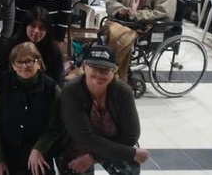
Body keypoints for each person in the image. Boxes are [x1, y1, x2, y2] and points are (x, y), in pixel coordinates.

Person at [60, 45, 148, 175]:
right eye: (94, 67)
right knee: (73, 165)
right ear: (84, 66)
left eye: (106, 70)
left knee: (130, 165)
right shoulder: (71, 91)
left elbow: (131, 135)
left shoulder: (124, 92)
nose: (99, 74)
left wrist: (92, 158)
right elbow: (83, 136)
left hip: (113, 142)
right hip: (78, 145)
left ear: (114, 71)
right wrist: (132, 153)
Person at [0, 42, 63, 175]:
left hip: (36, 152)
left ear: (38, 63)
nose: (24, 66)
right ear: (13, 66)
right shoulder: (2, 83)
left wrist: (39, 149)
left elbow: (55, 125)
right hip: (5, 151)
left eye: (29, 61)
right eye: (19, 62)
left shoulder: (51, 88)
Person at [0, 7, 65, 84]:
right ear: (25, 26)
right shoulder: (10, 47)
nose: (36, 31)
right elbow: (2, 76)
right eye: (32, 26)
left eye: (41, 28)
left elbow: (57, 82)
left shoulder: (54, 53)